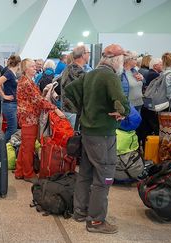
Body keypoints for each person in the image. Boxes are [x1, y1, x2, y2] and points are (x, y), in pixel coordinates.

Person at [65, 44, 130, 234]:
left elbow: (69, 90)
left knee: (85, 174)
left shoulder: (91, 73)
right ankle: (95, 221)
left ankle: (80, 212)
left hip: (87, 132)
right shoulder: (110, 76)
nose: (123, 62)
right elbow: (121, 100)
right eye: (122, 58)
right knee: (104, 176)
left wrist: (84, 110)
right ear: (116, 59)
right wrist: (122, 112)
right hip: (103, 134)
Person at [15, 58, 65, 182]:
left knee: (24, 147)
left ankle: (20, 171)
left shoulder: (27, 80)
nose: (35, 68)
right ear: (26, 69)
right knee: (28, 148)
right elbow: (39, 101)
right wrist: (55, 109)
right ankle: (28, 174)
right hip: (29, 119)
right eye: (32, 66)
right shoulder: (26, 82)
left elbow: (36, 99)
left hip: (28, 118)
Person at [0, 55, 21, 142]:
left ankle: (4, 148)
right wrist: (4, 95)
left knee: (12, 128)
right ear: (19, 63)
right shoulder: (9, 73)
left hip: (11, 104)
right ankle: (2, 147)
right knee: (12, 129)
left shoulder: (12, 73)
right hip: (9, 105)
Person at [60, 45, 89, 113]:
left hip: (68, 109)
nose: (89, 55)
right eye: (88, 52)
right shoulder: (77, 71)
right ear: (83, 55)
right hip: (73, 111)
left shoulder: (69, 68)